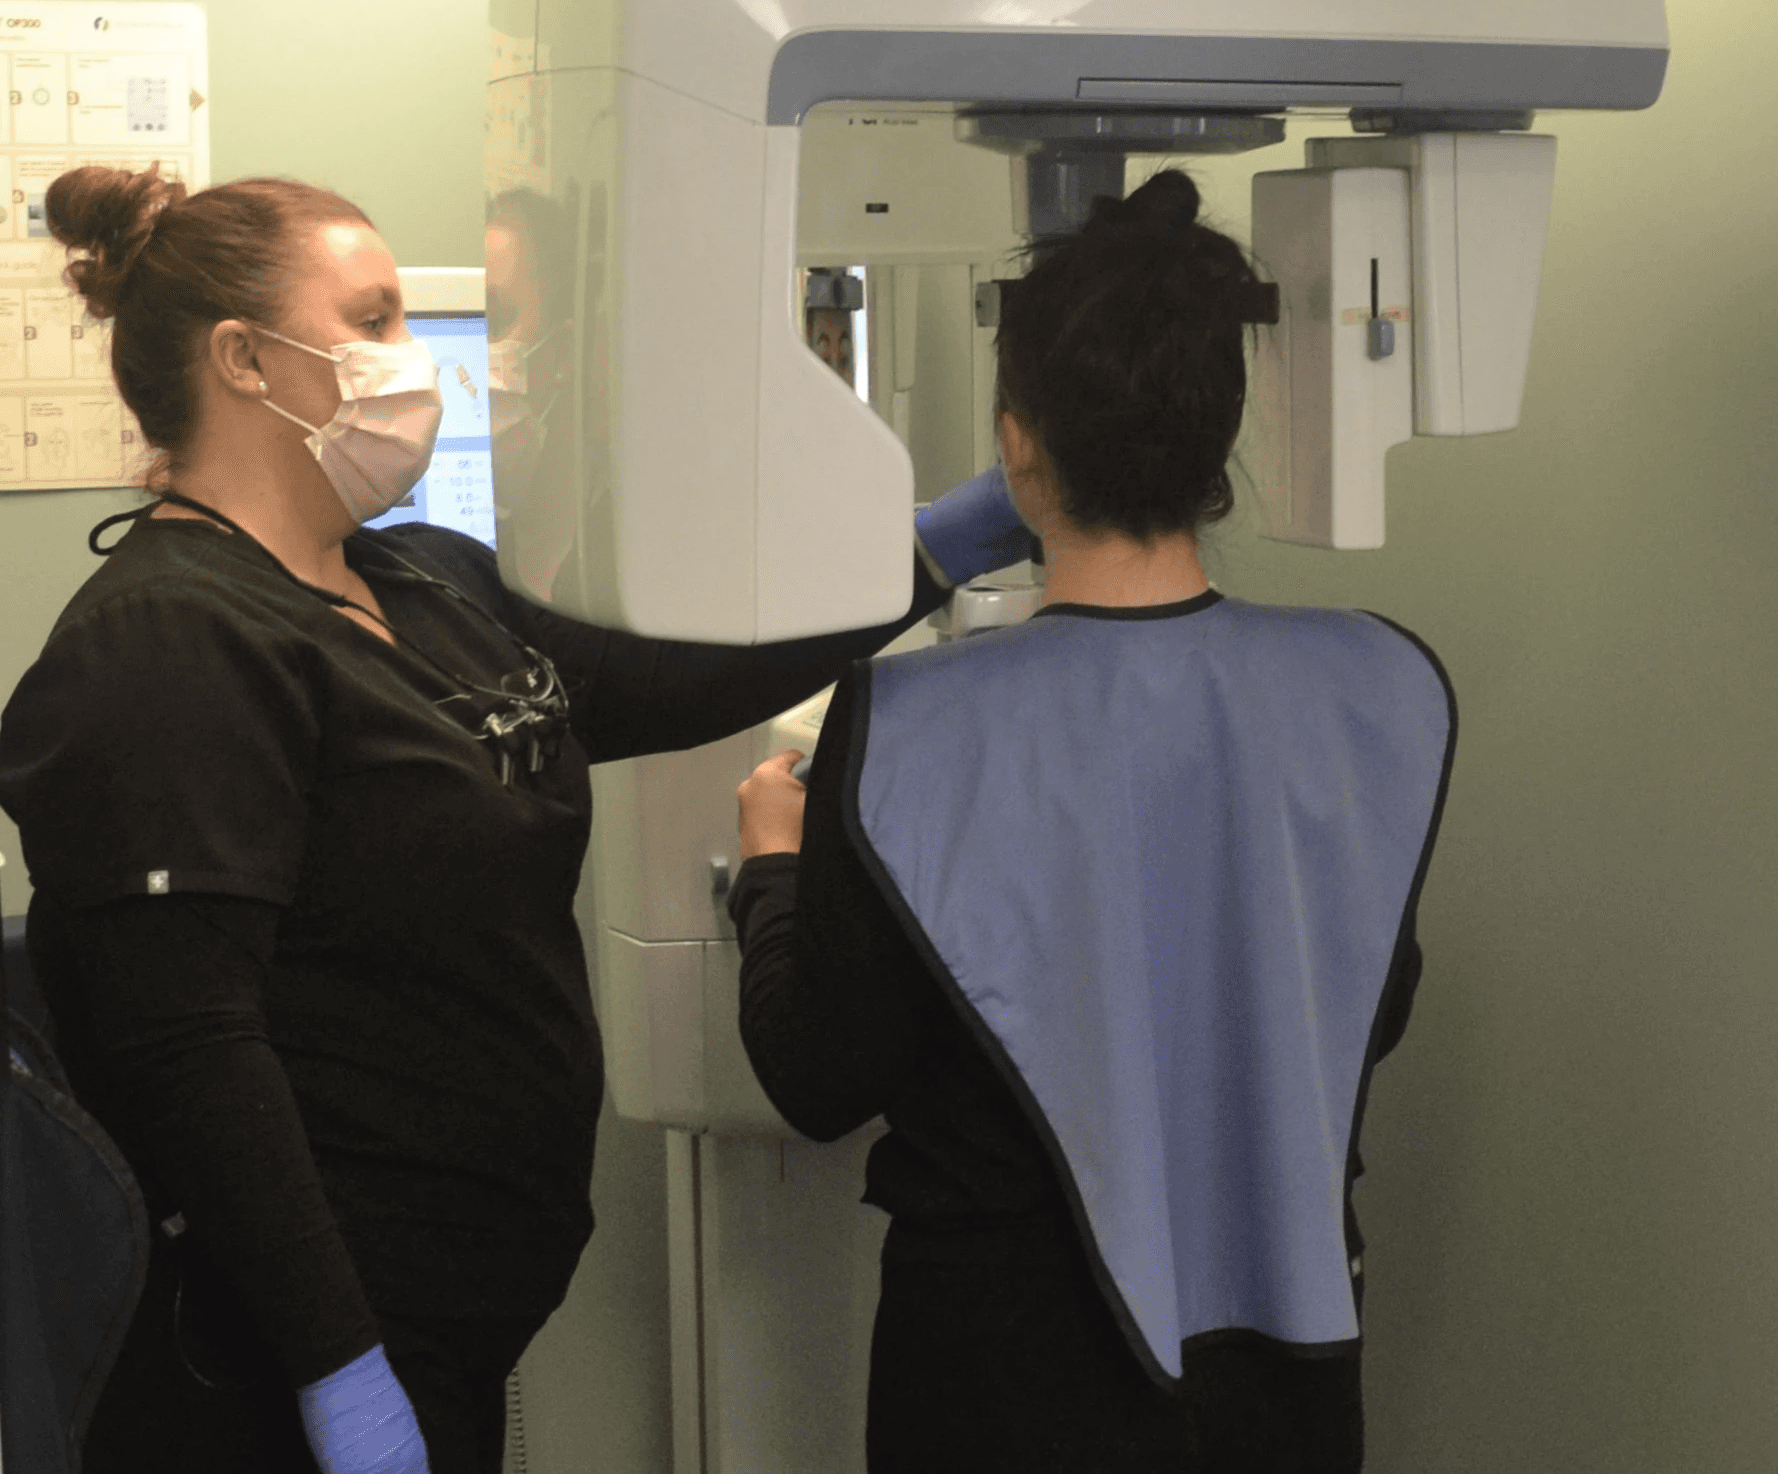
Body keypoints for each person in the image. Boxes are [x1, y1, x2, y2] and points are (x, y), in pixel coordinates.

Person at [0, 163, 1030, 1474]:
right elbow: (193, 1059)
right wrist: (338, 1371)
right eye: (371, 319)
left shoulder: (417, 579)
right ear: (244, 359)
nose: (411, 356)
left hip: (448, 1321)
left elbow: (657, 679)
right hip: (280, 1367)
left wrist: (937, 547)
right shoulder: (165, 642)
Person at [730, 169, 1457, 1474]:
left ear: (1016, 445)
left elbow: (819, 1078)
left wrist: (771, 873)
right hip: (1276, 1383)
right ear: (1220, 435)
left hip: (999, 1379)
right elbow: (1369, 1009)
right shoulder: (1377, 686)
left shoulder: (906, 727)